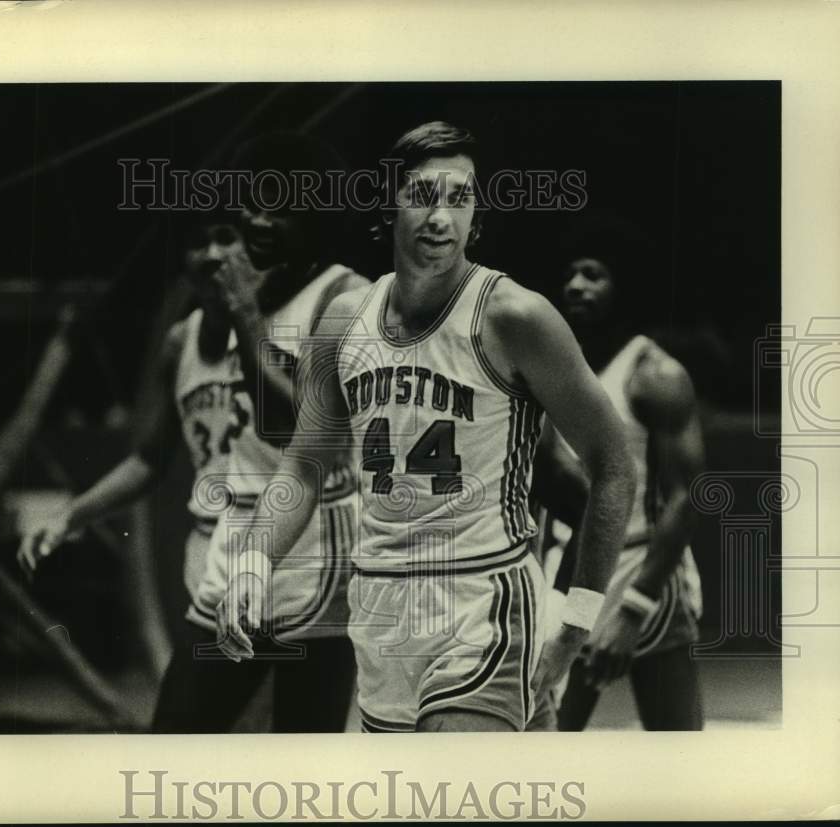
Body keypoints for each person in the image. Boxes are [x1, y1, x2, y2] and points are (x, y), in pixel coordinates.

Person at [216, 121, 636, 733]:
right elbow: (303, 466)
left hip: (481, 604)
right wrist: (255, 561)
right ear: (389, 205)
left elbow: (615, 467)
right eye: (422, 196)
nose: (441, 217)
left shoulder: (514, 316)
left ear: (476, 215)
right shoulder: (342, 322)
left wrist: (576, 620)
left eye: (459, 198)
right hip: (381, 612)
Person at [19, 131, 368, 733]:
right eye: (201, 241)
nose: (215, 253)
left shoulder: (340, 298)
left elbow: (306, 436)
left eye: (227, 236)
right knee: (178, 734)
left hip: (314, 549)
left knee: (305, 755)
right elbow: (151, 458)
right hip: (228, 550)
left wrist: (246, 319)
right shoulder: (186, 337)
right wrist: (73, 514)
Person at [547, 217, 706, 731]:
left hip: (641, 569)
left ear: (625, 287)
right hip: (569, 568)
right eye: (570, 273)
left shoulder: (656, 374)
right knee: (542, 741)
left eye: (593, 274)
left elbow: (688, 497)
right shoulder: (552, 367)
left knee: (677, 750)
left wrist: (635, 609)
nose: (575, 285)